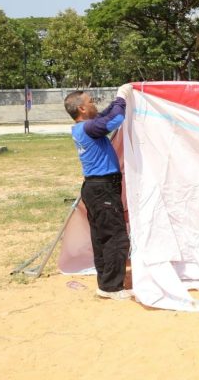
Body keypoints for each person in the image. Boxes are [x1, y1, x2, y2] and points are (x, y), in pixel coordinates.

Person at [64, 85, 134, 301]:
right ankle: (112, 287)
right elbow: (114, 120)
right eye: (91, 101)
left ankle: (106, 284)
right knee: (116, 237)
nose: (95, 103)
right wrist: (122, 97)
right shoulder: (89, 128)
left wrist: (117, 100)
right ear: (82, 109)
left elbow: (105, 115)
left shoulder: (84, 127)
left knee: (102, 238)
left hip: (95, 188)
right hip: (102, 189)